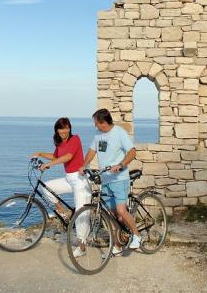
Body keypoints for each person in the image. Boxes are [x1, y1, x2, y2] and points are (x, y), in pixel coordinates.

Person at [80, 108, 141, 256]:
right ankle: (118, 246)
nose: (95, 126)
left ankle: (137, 236)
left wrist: (121, 165)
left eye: (96, 123)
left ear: (103, 122)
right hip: (105, 180)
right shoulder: (98, 135)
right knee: (113, 215)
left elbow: (132, 151)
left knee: (121, 211)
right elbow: (91, 151)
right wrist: (84, 165)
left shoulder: (119, 133)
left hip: (119, 179)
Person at [30, 117, 91, 258]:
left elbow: (68, 157)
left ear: (70, 128)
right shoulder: (60, 143)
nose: (64, 131)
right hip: (69, 178)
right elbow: (55, 156)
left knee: (81, 212)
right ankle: (62, 213)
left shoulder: (75, 139)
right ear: (57, 130)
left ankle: (82, 246)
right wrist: (40, 153)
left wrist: (48, 165)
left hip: (80, 179)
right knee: (47, 187)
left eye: (66, 128)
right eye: (61, 128)